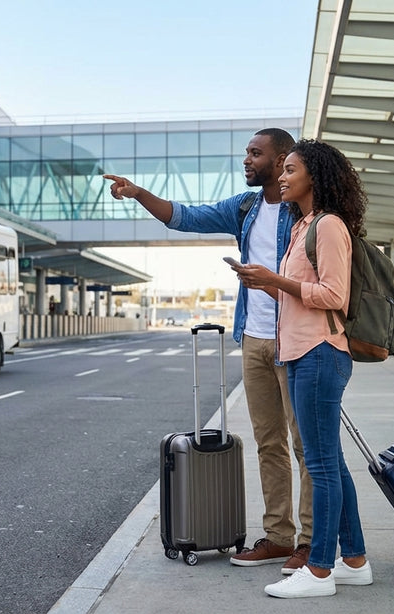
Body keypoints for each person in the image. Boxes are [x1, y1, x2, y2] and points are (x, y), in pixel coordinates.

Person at [104, 127, 314, 575]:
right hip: (254, 339)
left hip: (296, 338)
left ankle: (311, 543)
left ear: (281, 161)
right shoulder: (245, 207)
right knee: (268, 444)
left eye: (255, 154)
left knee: (306, 446)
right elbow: (184, 216)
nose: (247, 160)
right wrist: (140, 193)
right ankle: (279, 537)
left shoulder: (305, 212)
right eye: (247, 153)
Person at [234, 139, 372, 598]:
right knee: (330, 461)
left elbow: (335, 296)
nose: (283, 176)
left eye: (291, 169)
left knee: (320, 464)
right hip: (297, 351)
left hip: (319, 353)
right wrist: (265, 283)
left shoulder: (329, 225)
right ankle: (353, 559)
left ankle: (319, 571)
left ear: (315, 176)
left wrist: (275, 278)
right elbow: (300, 295)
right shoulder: (303, 224)